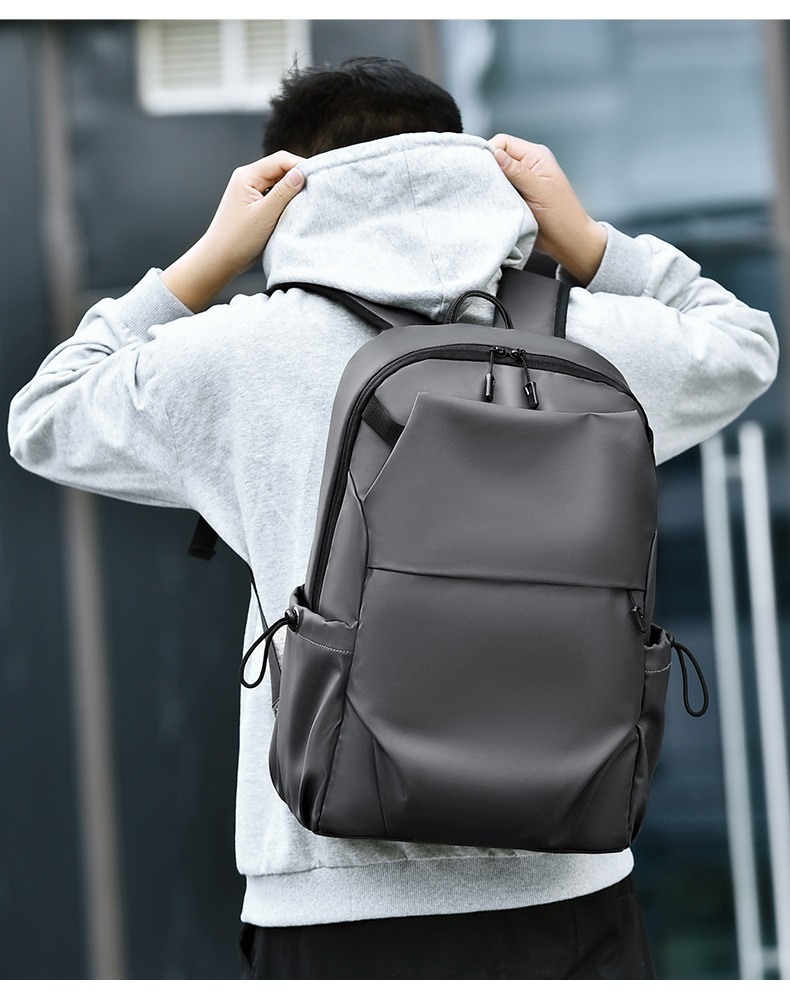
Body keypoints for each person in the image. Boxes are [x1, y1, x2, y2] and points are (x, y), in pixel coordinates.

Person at [7, 57, 778, 980]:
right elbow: (744, 343)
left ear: (286, 188)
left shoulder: (242, 355)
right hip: (569, 887)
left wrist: (207, 260)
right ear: (470, 164)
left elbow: (45, 415)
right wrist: (586, 241)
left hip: (332, 898)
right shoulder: (580, 341)